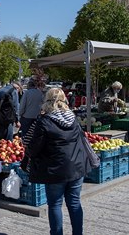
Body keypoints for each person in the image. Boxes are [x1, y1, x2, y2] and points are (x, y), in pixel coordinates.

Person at [21, 88, 91, 235]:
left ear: (47, 100)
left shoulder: (44, 121)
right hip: (76, 168)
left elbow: (33, 148)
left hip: (55, 170)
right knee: (74, 203)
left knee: (55, 205)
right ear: (64, 99)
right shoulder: (73, 119)